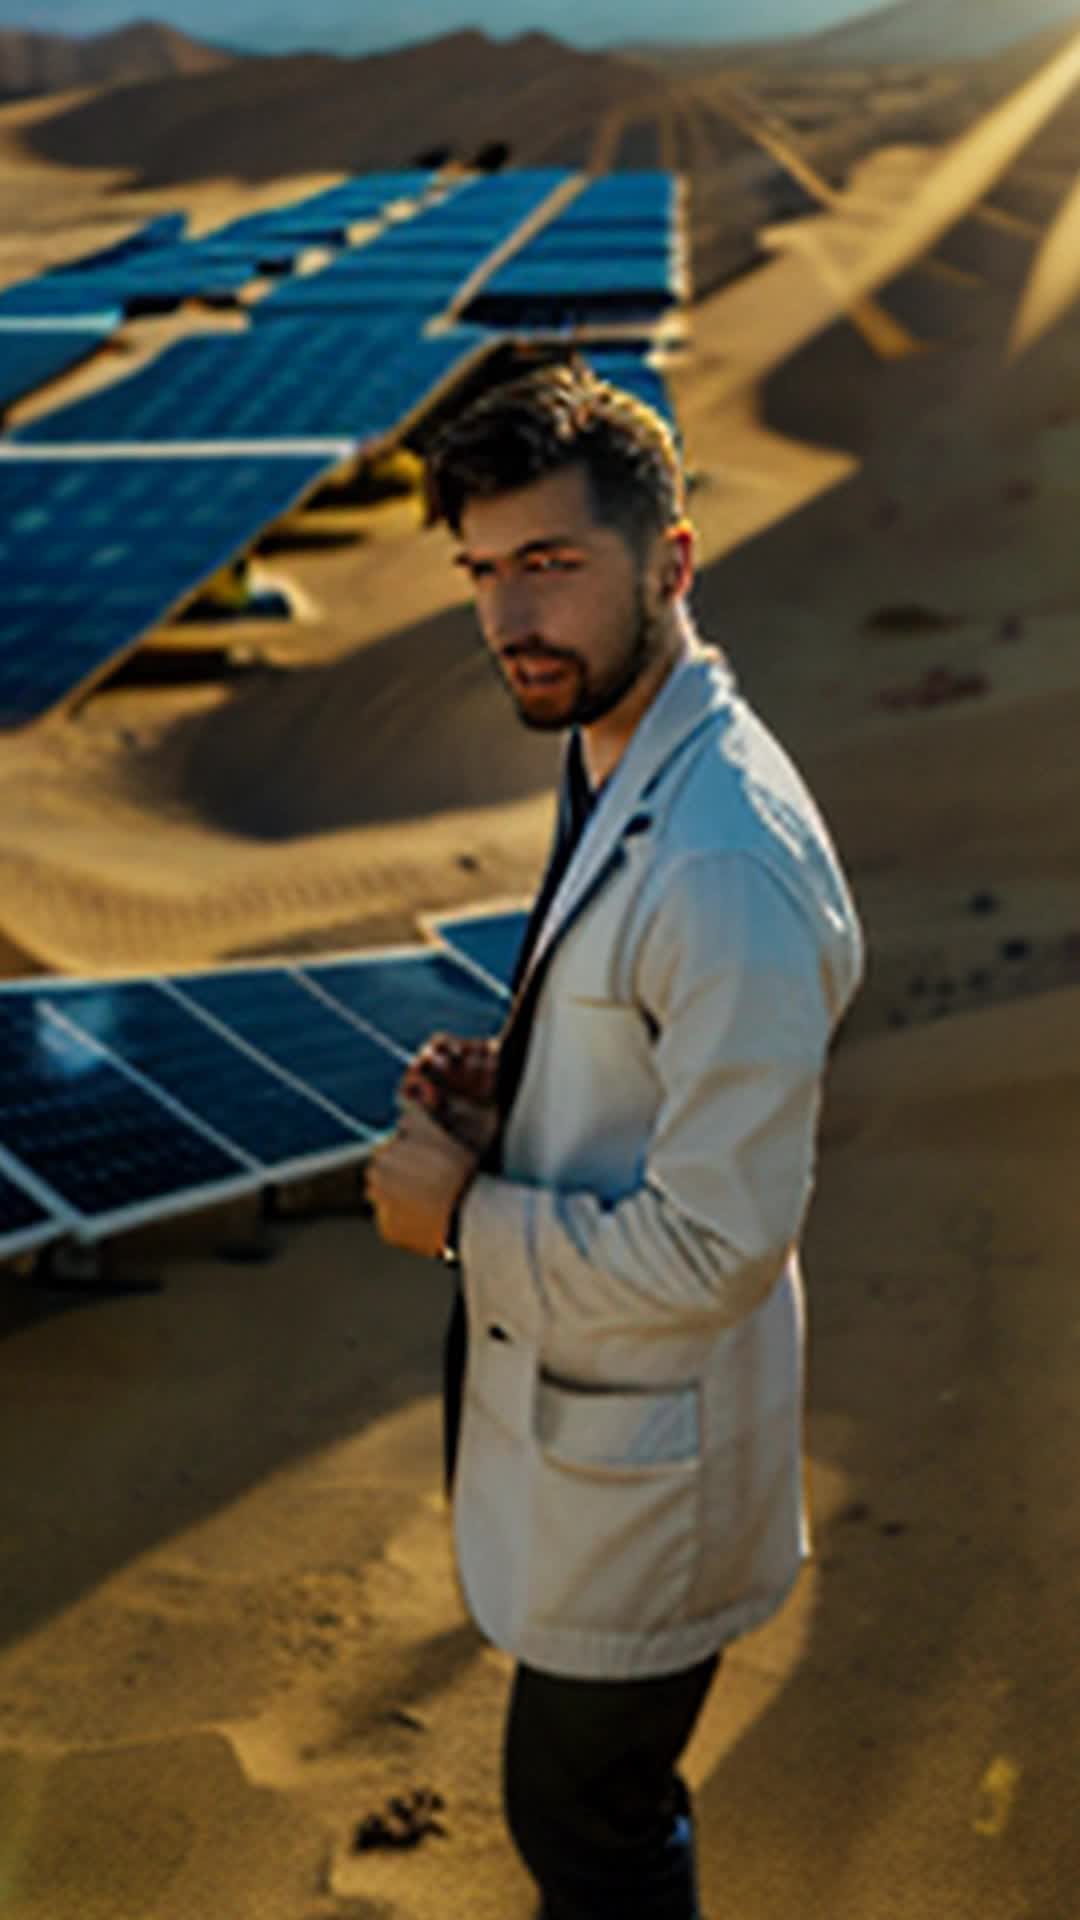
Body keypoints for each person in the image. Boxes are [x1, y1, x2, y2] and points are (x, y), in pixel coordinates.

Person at [365, 359, 865, 1920]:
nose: (512, 619)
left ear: (673, 563)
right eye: (484, 574)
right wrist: (527, 1093)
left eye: (554, 567)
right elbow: (650, 1051)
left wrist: (460, 1214)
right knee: (589, 1813)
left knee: (587, 1826)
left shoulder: (726, 863)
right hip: (591, 1425)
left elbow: (719, 1245)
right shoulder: (613, 744)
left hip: (656, 1468)